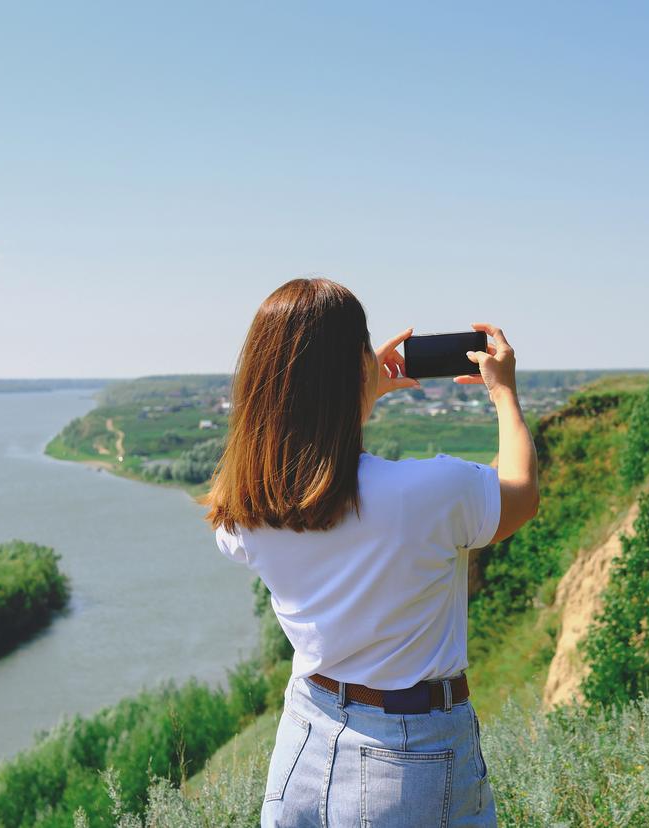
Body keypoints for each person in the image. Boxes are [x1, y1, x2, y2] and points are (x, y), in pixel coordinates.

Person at [203, 278, 539, 827]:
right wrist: (503, 391)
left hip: (303, 740)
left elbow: (308, 470)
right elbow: (521, 496)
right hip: (410, 756)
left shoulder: (246, 510)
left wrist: (355, 391)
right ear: (355, 367)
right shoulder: (429, 492)